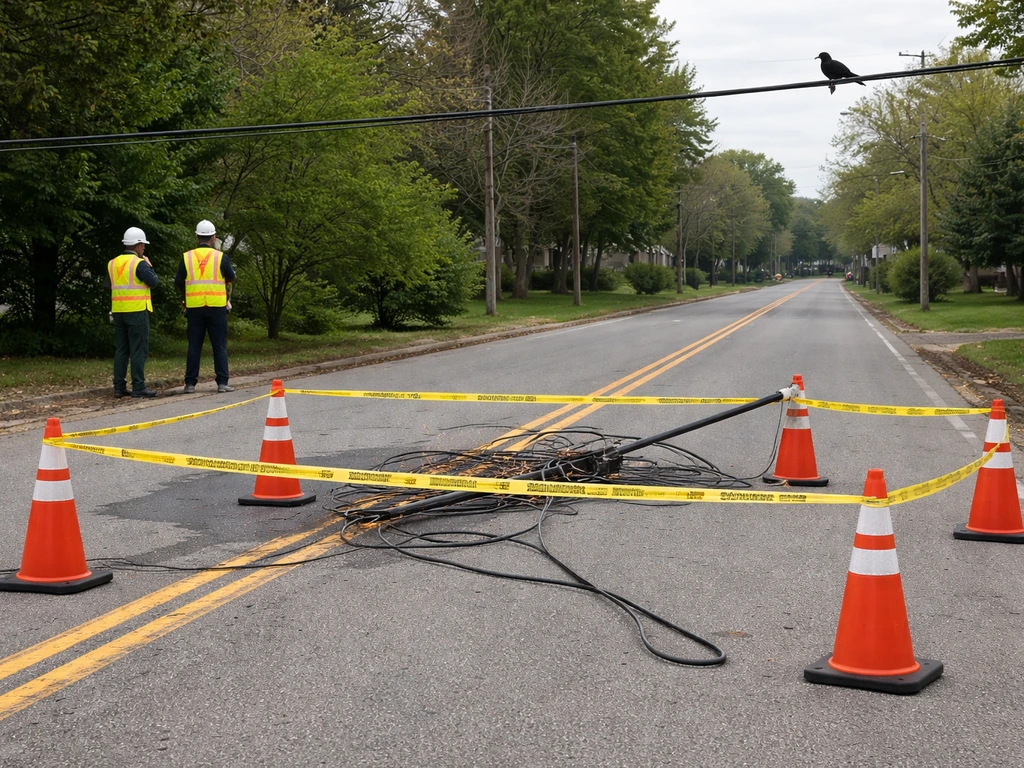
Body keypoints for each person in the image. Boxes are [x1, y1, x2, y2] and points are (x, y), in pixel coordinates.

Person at [176, 220, 236, 393]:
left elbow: (179, 281)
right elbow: (231, 277)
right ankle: (222, 383)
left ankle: (190, 384)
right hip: (217, 307)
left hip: (194, 308)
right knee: (219, 346)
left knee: (194, 346)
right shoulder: (221, 257)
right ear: (213, 237)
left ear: (197, 237)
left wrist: (186, 296)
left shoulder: (186, 257)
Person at [109, 227, 159, 398]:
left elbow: (108, 285)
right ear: (137, 245)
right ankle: (138, 386)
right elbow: (153, 282)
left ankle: (119, 387)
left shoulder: (113, 263)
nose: (144, 249)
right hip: (137, 311)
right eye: (143, 246)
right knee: (138, 350)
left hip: (118, 311)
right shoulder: (139, 263)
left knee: (121, 350)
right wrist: (149, 264)